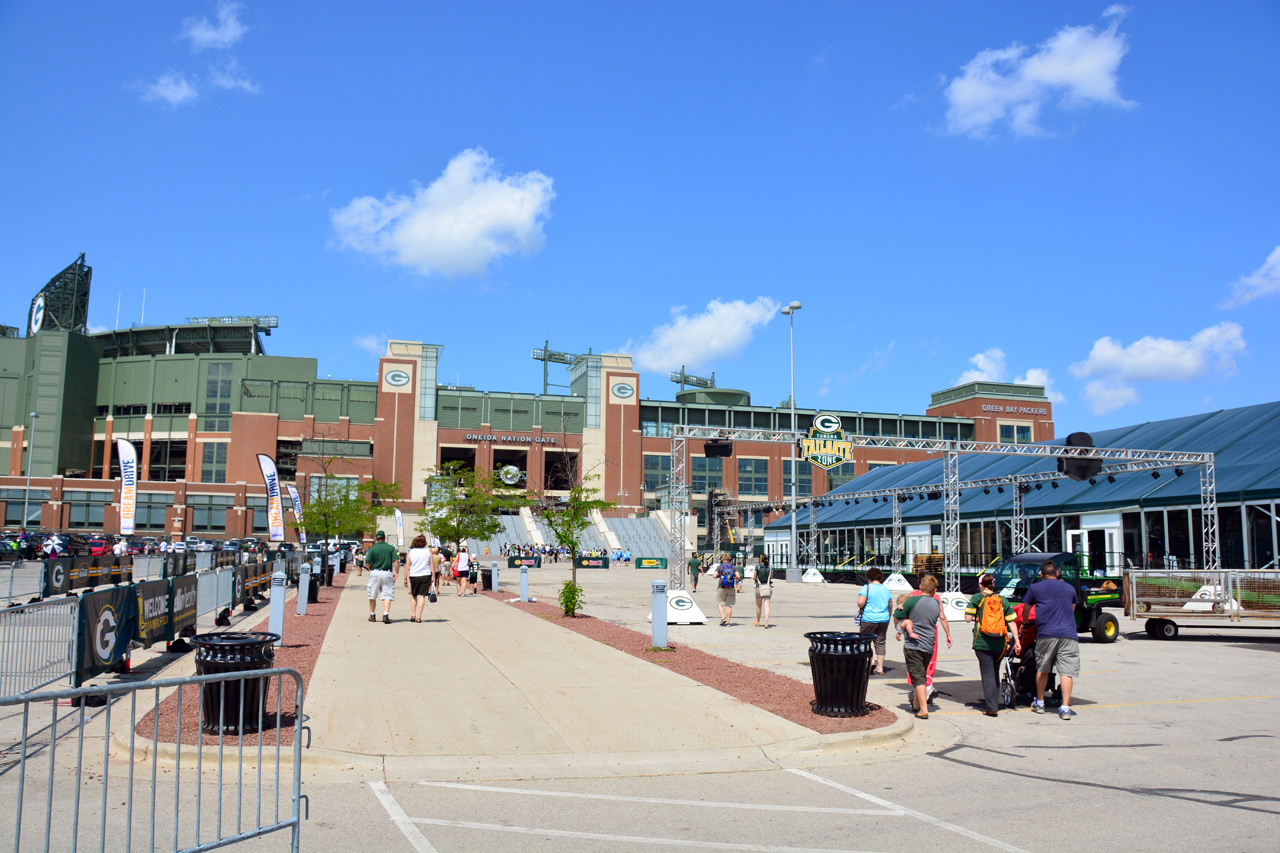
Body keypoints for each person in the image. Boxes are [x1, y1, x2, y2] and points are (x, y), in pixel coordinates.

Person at [1022, 560, 1080, 719]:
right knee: (1067, 671)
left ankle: (1040, 703)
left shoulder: (1035, 588)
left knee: (1043, 668)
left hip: (1046, 633)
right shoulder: (1069, 588)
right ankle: (1066, 708)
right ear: (1057, 573)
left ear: (1041, 575)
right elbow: (1072, 607)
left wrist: (1025, 623)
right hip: (1068, 633)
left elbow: (1026, 608)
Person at [893, 575, 951, 719]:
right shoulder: (936, 603)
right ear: (935, 590)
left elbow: (898, 614)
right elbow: (941, 618)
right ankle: (916, 704)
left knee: (917, 676)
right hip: (929, 643)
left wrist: (899, 628)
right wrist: (948, 634)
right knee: (921, 674)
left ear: (920, 587)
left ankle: (923, 709)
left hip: (914, 644)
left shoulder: (912, 600)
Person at [965, 573, 1021, 717]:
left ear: (980, 584)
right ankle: (994, 702)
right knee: (994, 671)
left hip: (983, 642)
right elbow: (1012, 621)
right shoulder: (1002, 599)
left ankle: (991, 707)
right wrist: (1017, 640)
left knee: (988, 674)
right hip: (1001, 643)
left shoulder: (977, 598)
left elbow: (968, 618)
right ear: (993, 584)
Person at [857, 567, 893, 675]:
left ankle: (870, 660)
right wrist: (888, 615)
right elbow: (890, 605)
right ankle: (880, 667)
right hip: (884, 619)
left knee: (864, 641)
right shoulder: (886, 589)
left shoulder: (867, 587)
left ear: (869, 577)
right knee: (880, 642)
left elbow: (860, 603)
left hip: (869, 618)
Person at [364, 531, 401, 623]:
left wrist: (370, 569)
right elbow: (396, 561)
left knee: (372, 594)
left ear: (376, 538)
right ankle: (385, 615)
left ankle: (372, 615)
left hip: (375, 572)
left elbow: (367, 562)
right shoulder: (390, 548)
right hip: (387, 573)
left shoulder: (372, 548)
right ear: (384, 538)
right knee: (387, 595)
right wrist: (396, 572)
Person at [405, 534, 433, 622]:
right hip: (426, 574)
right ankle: (419, 617)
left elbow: (407, 566)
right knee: (422, 596)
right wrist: (433, 577)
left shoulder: (411, 552)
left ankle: (413, 615)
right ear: (425, 543)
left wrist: (405, 578)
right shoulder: (428, 551)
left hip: (414, 575)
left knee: (414, 595)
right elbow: (431, 564)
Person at [712, 554, 738, 626]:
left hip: (721, 587)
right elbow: (738, 576)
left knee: (719, 603)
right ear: (729, 559)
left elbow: (714, 576)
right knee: (729, 605)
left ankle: (723, 617)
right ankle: (728, 622)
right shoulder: (733, 567)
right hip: (731, 587)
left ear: (723, 559)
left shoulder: (720, 566)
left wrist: (719, 576)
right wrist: (733, 577)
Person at [753, 554, 773, 628]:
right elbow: (771, 577)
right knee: (767, 606)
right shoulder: (770, 567)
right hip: (767, 587)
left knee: (759, 606)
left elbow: (754, 577)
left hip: (759, 587)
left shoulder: (758, 566)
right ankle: (766, 623)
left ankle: (758, 622)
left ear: (760, 559)